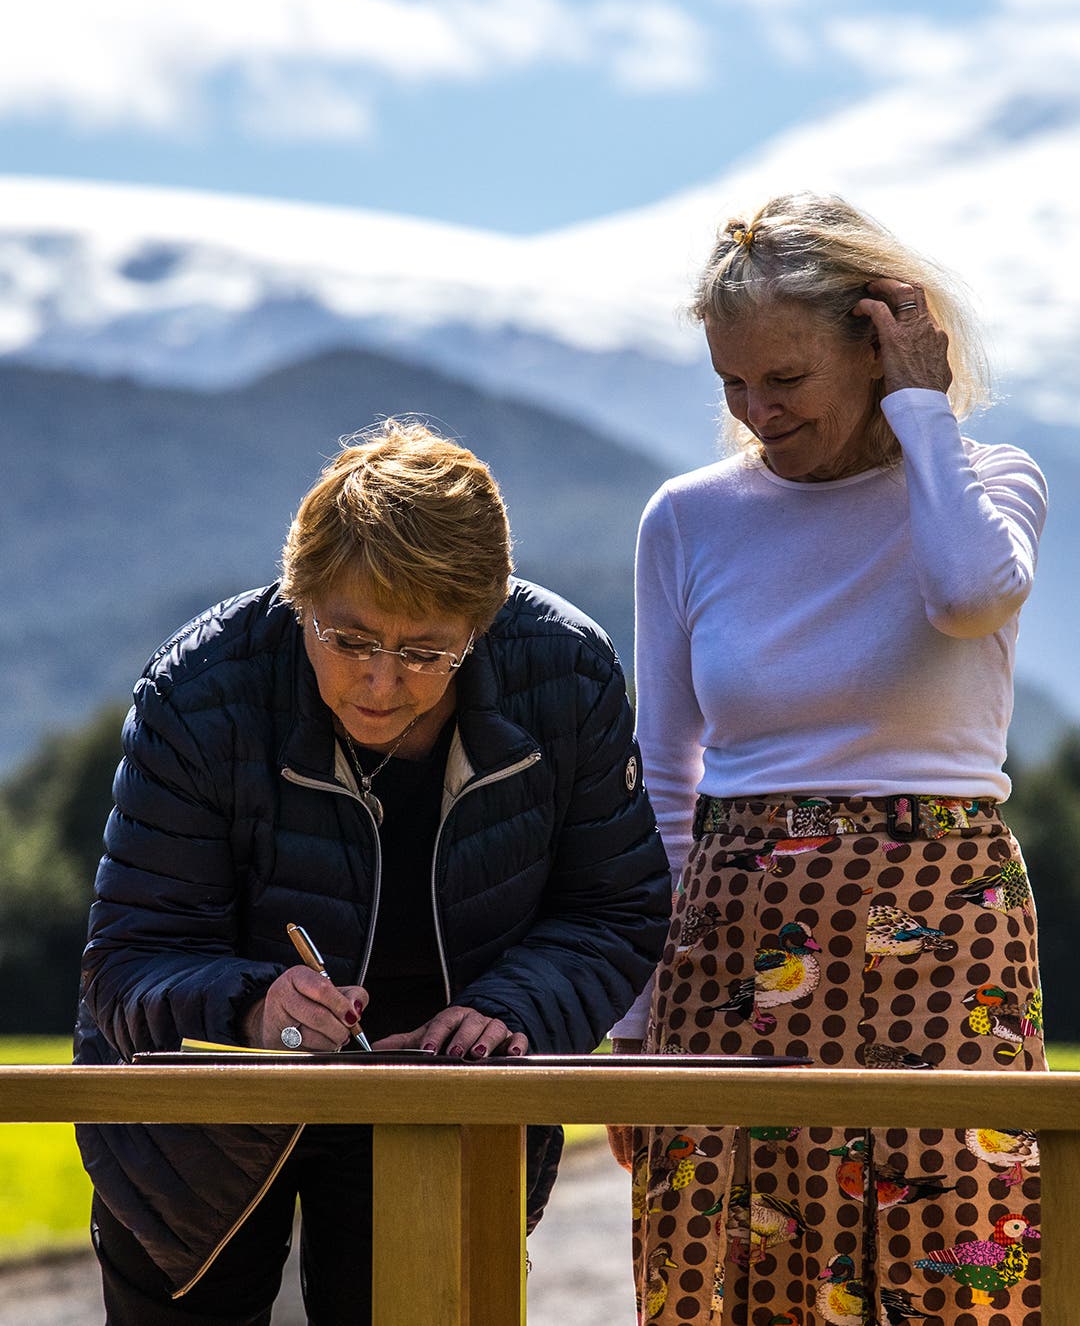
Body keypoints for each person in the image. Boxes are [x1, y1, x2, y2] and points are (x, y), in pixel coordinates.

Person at [74, 423, 671, 1325]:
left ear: (484, 622)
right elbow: (130, 959)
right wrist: (255, 1007)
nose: (381, 684)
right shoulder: (200, 691)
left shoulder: (567, 674)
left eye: (426, 652)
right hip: (201, 1125)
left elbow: (613, 908)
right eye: (349, 638)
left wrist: (510, 1012)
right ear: (297, 595)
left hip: (445, 1100)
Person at [611, 192, 1049, 1324]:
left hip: (941, 929)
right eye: (731, 382)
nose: (757, 411)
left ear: (874, 342)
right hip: (729, 933)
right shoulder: (688, 518)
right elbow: (665, 775)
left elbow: (966, 596)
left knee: (944, 1258)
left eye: (786, 379)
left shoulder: (986, 484)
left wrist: (923, 412)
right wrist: (633, 1021)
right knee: (720, 1274)